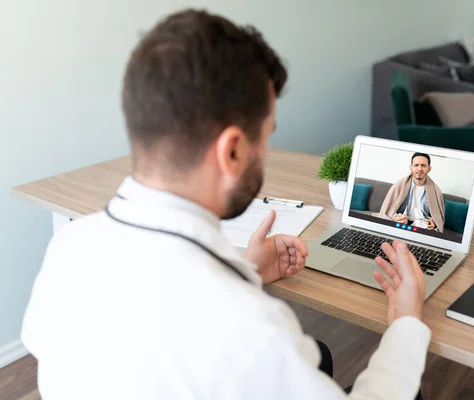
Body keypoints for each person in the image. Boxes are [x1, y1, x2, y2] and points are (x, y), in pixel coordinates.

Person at [21, 9, 430, 400]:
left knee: (317, 356)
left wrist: (245, 272)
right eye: (267, 135)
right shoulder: (247, 328)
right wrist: (406, 322)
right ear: (232, 150)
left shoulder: (69, 245)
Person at [376, 153, 445, 232]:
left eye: (423, 165)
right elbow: (389, 209)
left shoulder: (436, 190)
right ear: (411, 168)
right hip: (403, 224)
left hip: (423, 227)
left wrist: (434, 223)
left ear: (429, 169)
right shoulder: (400, 184)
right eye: (416, 165)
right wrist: (395, 217)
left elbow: (438, 218)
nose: (419, 169)